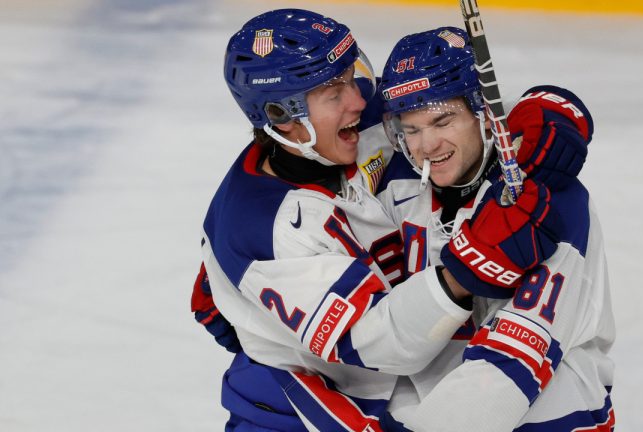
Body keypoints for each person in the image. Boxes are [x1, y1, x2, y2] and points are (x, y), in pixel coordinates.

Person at [195, 10, 562, 432]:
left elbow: (468, 112)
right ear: (283, 116)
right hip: (298, 414)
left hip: (388, 402)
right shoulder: (269, 230)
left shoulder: (347, 127)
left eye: (352, 75)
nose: (360, 100)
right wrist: (467, 270)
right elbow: (383, 346)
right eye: (334, 92)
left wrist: (550, 116)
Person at [375, 27, 616, 431]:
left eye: (443, 120)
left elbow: (504, 372)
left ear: (483, 112)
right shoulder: (397, 185)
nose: (427, 146)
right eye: (411, 130)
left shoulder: (549, 201)